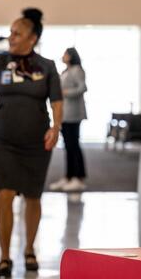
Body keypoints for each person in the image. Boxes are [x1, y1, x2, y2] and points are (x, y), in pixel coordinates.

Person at [0, 8, 63, 279]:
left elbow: (56, 100)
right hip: (1, 141)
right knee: (4, 195)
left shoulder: (46, 66)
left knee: (33, 196)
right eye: (10, 32)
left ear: (32, 38)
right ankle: (5, 256)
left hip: (35, 143)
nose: (11, 37)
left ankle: (30, 249)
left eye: (17, 33)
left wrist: (56, 127)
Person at [49, 48, 88, 191]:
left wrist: (65, 92)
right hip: (65, 114)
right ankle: (69, 176)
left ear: (71, 56)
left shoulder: (77, 70)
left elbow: (82, 88)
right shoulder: (66, 70)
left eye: (65, 54)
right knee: (68, 146)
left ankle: (78, 177)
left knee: (73, 145)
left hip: (73, 114)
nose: (63, 56)